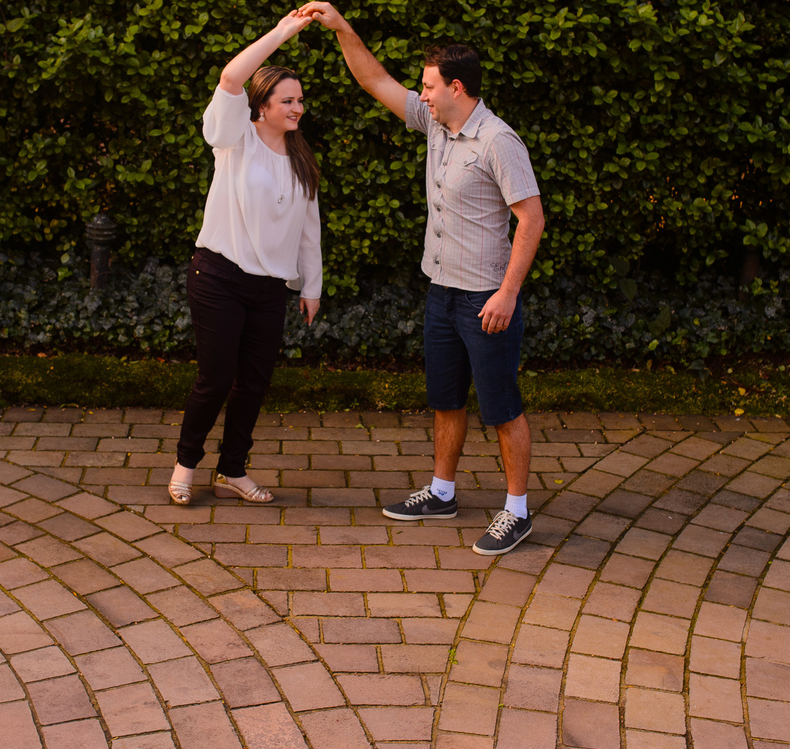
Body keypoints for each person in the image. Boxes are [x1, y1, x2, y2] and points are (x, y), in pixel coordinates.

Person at [300, 3, 545, 556]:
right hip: (441, 290)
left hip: (486, 298)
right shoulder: (436, 123)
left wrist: (508, 292)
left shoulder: (498, 141)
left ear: (456, 87)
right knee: (445, 399)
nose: (422, 93)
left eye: (429, 85)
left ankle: (517, 511)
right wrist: (341, 28)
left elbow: (531, 218)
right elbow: (373, 78)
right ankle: (442, 492)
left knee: (502, 406)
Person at [168, 11, 322, 506]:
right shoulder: (234, 141)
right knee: (214, 380)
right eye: (288, 100)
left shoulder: (301, 160)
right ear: (261, 106)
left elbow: (308, 230)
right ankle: (185, 466)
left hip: (269, 290)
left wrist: (311, 287)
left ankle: (233, 469)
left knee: (254, 383)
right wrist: (283, 32)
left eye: (300, 100)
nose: (298, 107)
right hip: (217, 277)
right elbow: (231, 77)